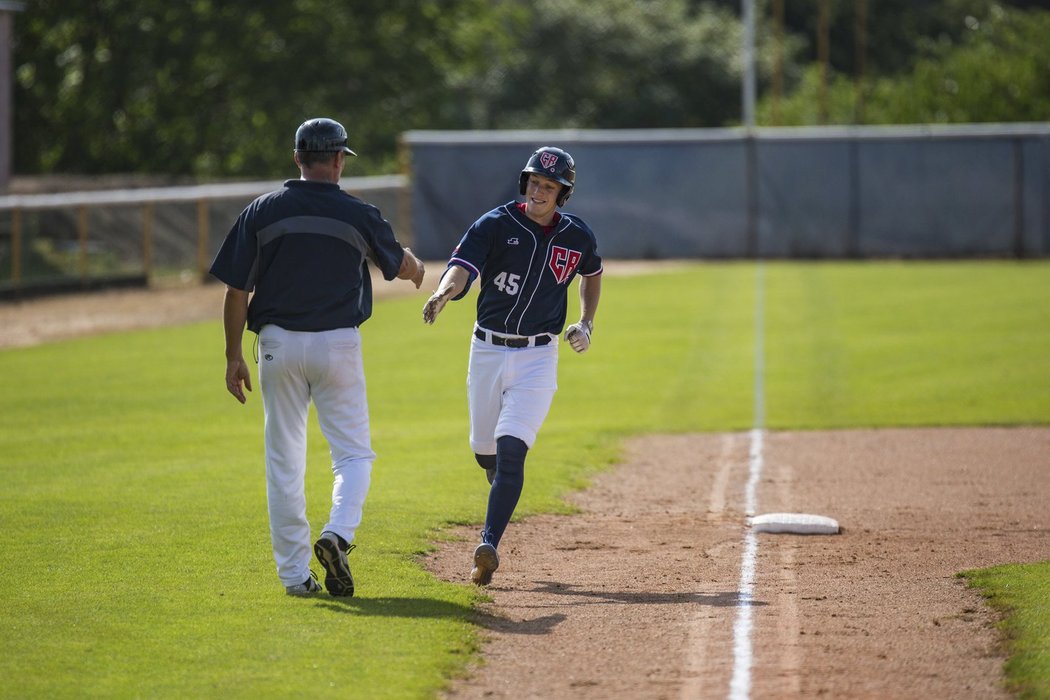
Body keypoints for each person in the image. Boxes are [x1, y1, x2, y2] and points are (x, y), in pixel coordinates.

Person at [210, 117, 425, 597]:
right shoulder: (358, 213)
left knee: (284, 460)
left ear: (297, 159)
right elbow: (399, 264)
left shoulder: (261, 211)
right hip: (338, 345)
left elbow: (235, 291)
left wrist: (231, 357)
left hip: (277, 345)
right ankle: (338, 534)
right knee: (353, 454)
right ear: (337, 161)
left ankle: (294, 578)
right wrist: (417, 268)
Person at [422, 146, 602, 586]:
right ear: (525, 184)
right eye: (534, 183)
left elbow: (592, 273)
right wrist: (444, 294)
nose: (539, 191)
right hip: (487, 351)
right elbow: (461, 268)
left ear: (563, 194)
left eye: (549, 186)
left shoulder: (576, 235)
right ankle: (498, 489)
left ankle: (488, 545)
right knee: (485, 452)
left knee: (511, 451)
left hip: (539, 357)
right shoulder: (496, 224)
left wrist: (586, 323)